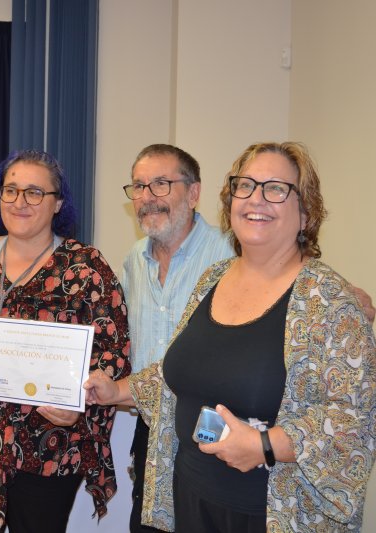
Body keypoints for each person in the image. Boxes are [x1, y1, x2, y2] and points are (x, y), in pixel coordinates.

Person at [87, 142, 376, 532]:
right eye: (245, 186)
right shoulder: (213, 280)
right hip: (190, 500)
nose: (256, 199)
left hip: (271, 512)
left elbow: (357, 418)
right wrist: (115, 392)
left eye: (275, 188)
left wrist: (266, 446)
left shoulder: (328, 300)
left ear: (305, 212)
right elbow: (175, 375)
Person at [0, 149, 131, 533]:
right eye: (10, 190)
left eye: (34, 193)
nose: (20, 202)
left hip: (49, 441)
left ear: (57, 203)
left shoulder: (86, 268)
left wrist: (79, 404)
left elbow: (113, 355)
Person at [120, 144, 234, 533]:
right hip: (151, 428)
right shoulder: (134, 259)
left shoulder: (232, 251)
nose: (148, 197)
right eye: (139, 186)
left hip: (215, 427)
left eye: (161, 184)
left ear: (194, 192)